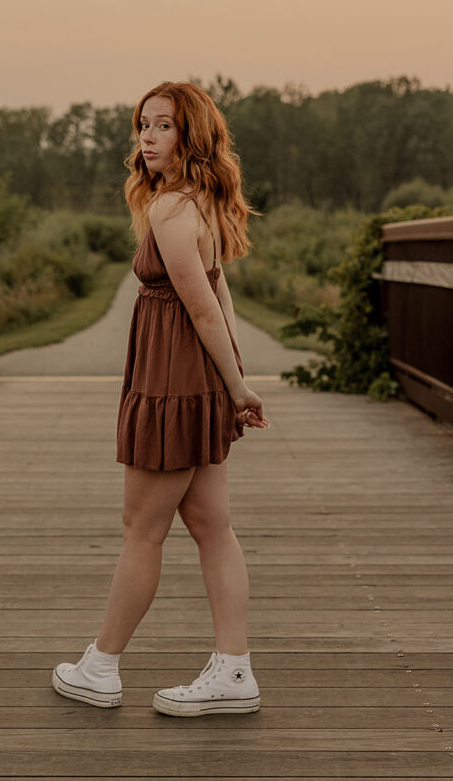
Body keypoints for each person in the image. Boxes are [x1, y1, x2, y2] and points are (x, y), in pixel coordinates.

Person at [52, 81, 269, 716]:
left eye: (164, 126)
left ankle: (101, 666)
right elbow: (220, 294)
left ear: (190, 135)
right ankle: (234, 671)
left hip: (173, 383)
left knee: (141, 532)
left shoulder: (172, 212)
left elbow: (204, 308)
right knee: (211, 526)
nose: (147, 137)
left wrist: (238, 387)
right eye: (143, 125)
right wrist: (231, 382)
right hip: (193, 381)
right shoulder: (196, 202)